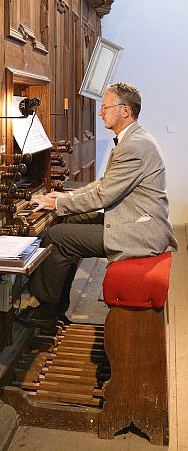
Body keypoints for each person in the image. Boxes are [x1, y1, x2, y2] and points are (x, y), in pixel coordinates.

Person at [16, 82, 178, 333]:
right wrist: (64, 196)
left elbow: (103, 195)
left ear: (125, 110)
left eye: (105, 107)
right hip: (131, 220)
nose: (100, 112)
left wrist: (58, 203)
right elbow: (105, 184)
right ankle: (59, 308)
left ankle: (46, 311)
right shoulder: (132, 139)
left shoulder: (135, 145)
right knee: (68, 223)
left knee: (57, 237)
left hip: (140, 232)